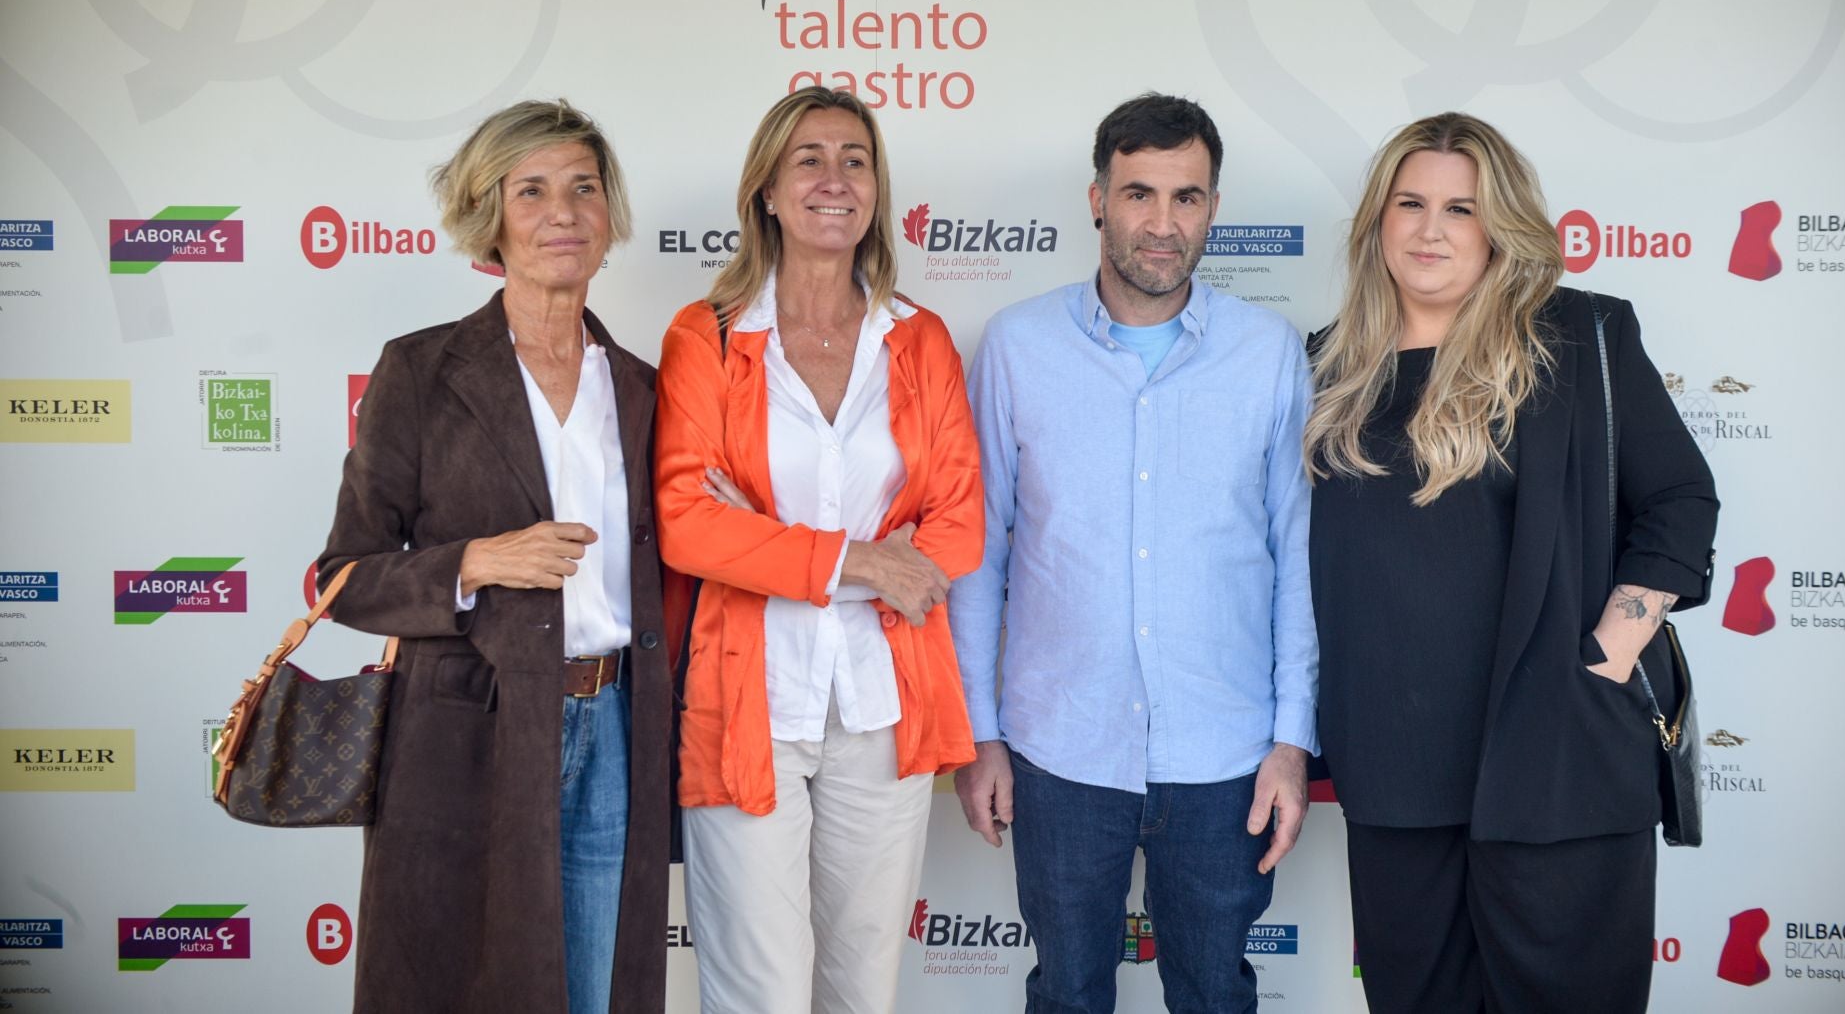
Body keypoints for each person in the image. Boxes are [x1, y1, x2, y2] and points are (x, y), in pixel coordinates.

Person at [1304, 112, 1717, 1013]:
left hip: (1558, 757)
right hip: (1391, 770)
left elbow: (1680, 503)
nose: (1430, 229)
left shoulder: (1581, 341)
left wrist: (1610, 650)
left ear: (1502, 227)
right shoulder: (1326, 369)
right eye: (1408, 203)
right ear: (1377, 220)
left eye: (1462, 208)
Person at [948, 92, 1318, 1014]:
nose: (1163, 223)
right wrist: (979, 732)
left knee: (1215, 997)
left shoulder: (1268, 354)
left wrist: (1290, 739)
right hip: (1060, 749)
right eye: (1140, 193)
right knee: (1067, 994)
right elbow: (976, 554)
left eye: (1187, 197)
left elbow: (1297, 555)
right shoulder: (1018, 347)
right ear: (1097, 199)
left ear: (1213, 209)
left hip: (1224, 751)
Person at [318, 100, 670, 1014]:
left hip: (616, 728)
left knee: (595, 990)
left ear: (608, 218)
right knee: (459, 987)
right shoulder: (422, 371)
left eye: (584, 188)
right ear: (492, 218)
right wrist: (475, 561)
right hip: (466, 732)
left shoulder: (643, 387)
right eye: (532, 190)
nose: (564, 211)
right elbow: (343, 579)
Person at [653, 85, 984, 1014]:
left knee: (862, 989)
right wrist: (869, 560)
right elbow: (687, 522)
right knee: (760, 992)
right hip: (745, 705)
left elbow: (956, 524)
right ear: (766, 189)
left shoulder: (918, 340)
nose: (834, 179)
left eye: (855, 159)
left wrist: (761, 539)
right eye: (809, 158)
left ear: (876, 188)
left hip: (885, 704)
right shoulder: (707, 337)